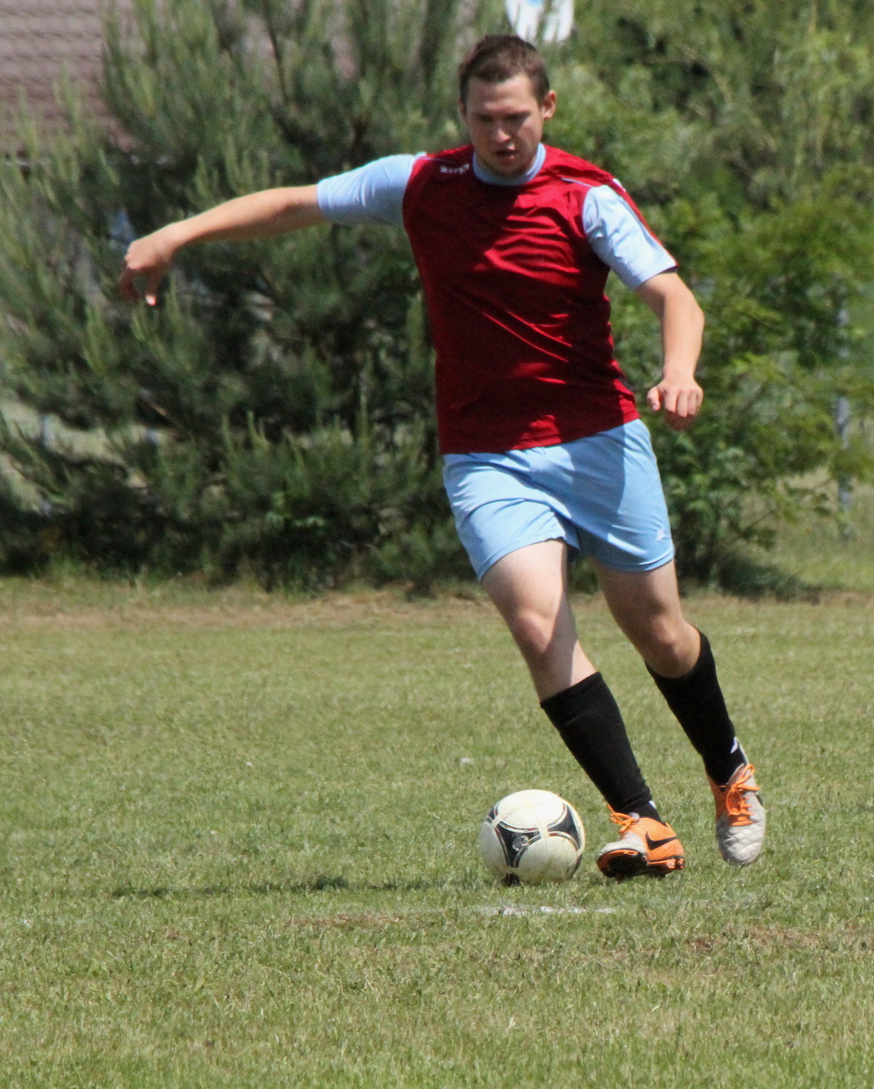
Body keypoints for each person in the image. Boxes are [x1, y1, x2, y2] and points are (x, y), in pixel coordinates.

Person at [116, 35, 764, 878]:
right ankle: (643, 822)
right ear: (462, 114)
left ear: (547, 109)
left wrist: (678, 372)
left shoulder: (586, 196)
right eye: (486, 118)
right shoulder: (423, 183)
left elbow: (672, 296)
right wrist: (177, 234)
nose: (502, 134)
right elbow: (296, 205)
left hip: (599, 441)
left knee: (660, 633)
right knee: (537, 624)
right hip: (487, 457)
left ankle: (729, 772)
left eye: (517, 117)